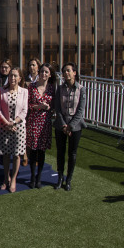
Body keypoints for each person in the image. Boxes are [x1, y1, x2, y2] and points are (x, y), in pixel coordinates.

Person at [53, 63, 87, 191]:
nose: (66, 73)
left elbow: (80, 110)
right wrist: (63, 125)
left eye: (68, 71)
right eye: (64, 71)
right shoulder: (60, 89)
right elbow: (57, 107)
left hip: (75, 126)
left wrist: (70, 126)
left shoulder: (81, 89)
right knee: (60, 152)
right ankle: (60, 177)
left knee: (72, 154)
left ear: (74, 73)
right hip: (61, 124)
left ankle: (69, 179)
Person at [0, 67, 28, 193]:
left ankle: (13, 179)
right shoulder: (1, 91)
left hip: (18, 127)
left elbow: (25, 110)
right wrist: (7, 123)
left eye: (15, 76)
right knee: (5, 154)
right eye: (10, 76)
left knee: (16, 155)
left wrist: (14, 122)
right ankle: (6, 178)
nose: (12, 78)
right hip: (4, 127)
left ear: (20, 78)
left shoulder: (24, 92)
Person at [26, 63, 56, 188]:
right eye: (42, 71)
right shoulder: (32, 87)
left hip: (45, 123)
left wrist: (50, 108)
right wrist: (40, 106)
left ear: (50, 75)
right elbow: (27, 105)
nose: (43, 74)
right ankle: (32, 176)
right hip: (33, 121)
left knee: (42, 151)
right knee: (33, 151)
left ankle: (39, 177)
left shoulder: (52, 88)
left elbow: (55, 105)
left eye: (46, 72)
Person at [0, 59, 12, 166]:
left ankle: (4, 155)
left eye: (6, 67)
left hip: (6, 109)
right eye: (2, 67)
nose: (4, 69)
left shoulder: (11, 78)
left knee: (5, 134)